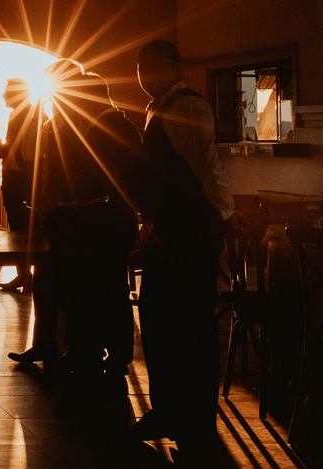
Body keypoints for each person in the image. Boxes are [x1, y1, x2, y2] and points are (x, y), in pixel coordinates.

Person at [130, 40, 235, 447]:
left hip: (188, 232)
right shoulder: (160, 106)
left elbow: (207, 169)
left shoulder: (187, 106)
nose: (145, 76)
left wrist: (224, 219)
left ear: (174, 66)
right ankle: (170, 411)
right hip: (170, 229)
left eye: (153, 67)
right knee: (160, 323)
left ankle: (193, 420)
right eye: (140, 69)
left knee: (187, 327)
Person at [15, 71, 142, 389]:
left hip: (106, 224)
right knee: (84, 292)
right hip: (80, 223)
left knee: (109, 292)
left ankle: (115, 359)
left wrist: (71, 195)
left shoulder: (115, 126)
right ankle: (84, 351)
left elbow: (111, 177)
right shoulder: (74, 125)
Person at [0, 79, 39, 290]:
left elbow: (31, 153)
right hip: (14, 181)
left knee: (26, 231)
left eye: (6, 92)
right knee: (17, 230)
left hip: (25, 182)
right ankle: (24, 276)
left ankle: (28, 277)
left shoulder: (35, 115)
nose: (3, 96)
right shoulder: (16, 115)